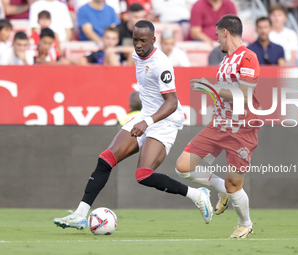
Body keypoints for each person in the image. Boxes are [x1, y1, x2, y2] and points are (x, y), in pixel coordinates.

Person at [53, 20, 214, 230]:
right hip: (147, 115)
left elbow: (172, 103)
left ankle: (197, 194)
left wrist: (147, 122)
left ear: (153, 40)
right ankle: (80, 214)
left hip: (164, 120)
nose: (138, 44)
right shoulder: (138, 55)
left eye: (143, 40)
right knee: (105, 159)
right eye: (135, 39)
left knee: (143, 175)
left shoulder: (162, 64)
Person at [176, 14, 260, 239]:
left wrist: (209, 87)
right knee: (183, 166)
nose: (217, 41)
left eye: (217, 36)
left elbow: (243, 94)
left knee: (235, 186)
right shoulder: (225, 60)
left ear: (225, 32)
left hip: (241, 129)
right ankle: (221, 189)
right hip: (219, 125)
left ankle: (245, 223)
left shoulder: (249, 58)